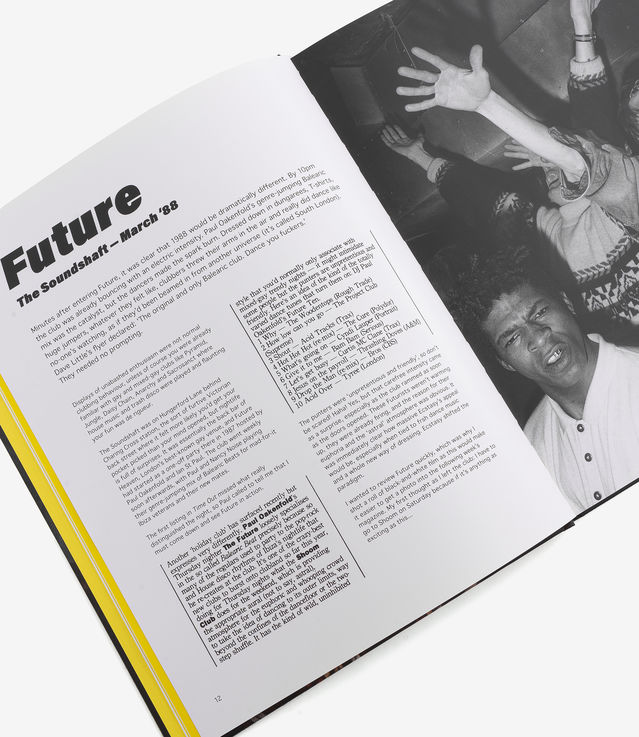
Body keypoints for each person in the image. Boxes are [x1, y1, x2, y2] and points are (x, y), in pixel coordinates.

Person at [385, 33, 639, 338]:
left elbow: (496, 204)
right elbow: (588, 154)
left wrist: (424, 156)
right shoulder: (617, 193)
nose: (551, 167)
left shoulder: (550, 239)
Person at [442, 246, 639, 513]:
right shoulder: (534, 445)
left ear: (567, 302)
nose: (537, 336)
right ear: (504, 362)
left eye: (539, 312)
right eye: (512, 338)